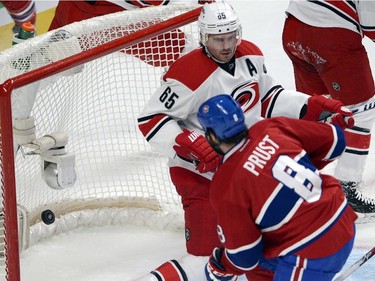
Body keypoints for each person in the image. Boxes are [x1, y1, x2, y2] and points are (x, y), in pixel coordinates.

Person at [137, 2, 354, 280]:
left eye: (230, 37)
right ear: (204, 37)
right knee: (208, 258)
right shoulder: (187, 74)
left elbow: (270, 97)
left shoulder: (250, 54)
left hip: (248, 163)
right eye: (218, 39)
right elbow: (151, 119)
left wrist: (311, 105)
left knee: (261, 245)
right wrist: (188, 141)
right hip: (199, 174)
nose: (226, 45)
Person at [198, 94, 357, 281]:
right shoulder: (271, 127)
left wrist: (221, 265)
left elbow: (244, 257)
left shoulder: (224, 184)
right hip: (342, 220)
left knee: (242, 262)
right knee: (260, 262)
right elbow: (336, 141)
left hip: (313, 250)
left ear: (212, 136)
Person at [282, 0, 375, 213]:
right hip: (329, 38)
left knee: (319, 109)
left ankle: (298, 183)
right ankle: (347, 188)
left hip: (293, 31)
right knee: (362, 110)